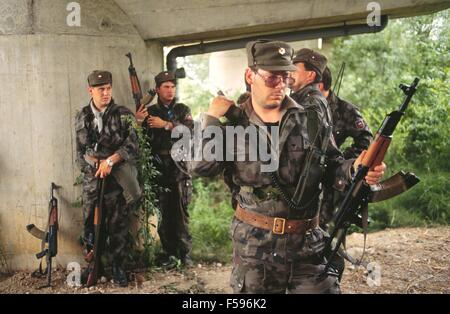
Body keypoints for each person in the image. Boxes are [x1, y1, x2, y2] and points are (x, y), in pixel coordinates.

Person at [192, 40, 386, 293]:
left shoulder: (311, 118)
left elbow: (331, 165)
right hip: (254, 251)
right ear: (250, 75)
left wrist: (356, 168)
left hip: (307, 246)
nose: (281, 85)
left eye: (286, 77)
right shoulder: (232, 124)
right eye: (273, 78)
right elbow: (200, 166)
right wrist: (211, 119)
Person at [75, 70, 141, 287]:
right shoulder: (83, 116)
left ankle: (118, 268)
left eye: (108, 88)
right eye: (101, 89)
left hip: (116, 181)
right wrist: (93, 163)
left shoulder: (123, 114)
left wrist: (110, 161)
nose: (106, 93)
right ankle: (94, 267)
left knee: (118, 226)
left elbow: (133, 144)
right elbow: (80, 151)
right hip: (92, 181)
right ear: (90, 90)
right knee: (91, 226)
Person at [143, 71, 194, 267]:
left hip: (178, 167)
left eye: (172, 86)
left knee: (180, 212)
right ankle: (169, 252)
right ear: (157, 89)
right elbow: (143, 139)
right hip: (158, 167)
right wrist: (140, 122)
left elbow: (190, 130)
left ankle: (184, 254)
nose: (170, 90)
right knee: (163, 212)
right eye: (166, 87)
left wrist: (166, 125)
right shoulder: (150, 111)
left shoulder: (182, 109)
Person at [317, 66, 373, 227]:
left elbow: (366, 138)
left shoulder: (345, 110)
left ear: (319, 85)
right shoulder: (301, 106)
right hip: (304, 174)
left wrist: (345, 161)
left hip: (330, 177)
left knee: (321, 224)